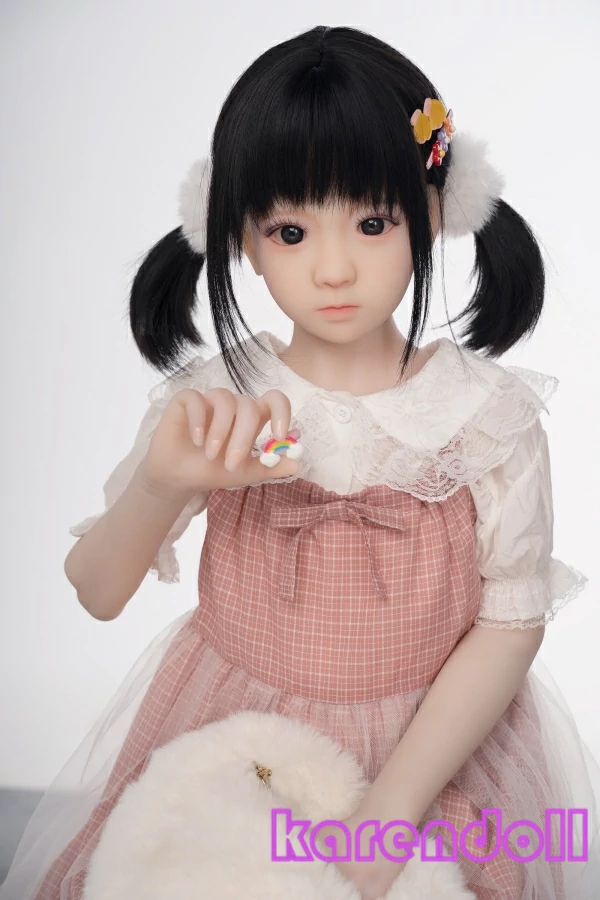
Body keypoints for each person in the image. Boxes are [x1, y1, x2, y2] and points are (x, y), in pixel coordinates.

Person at [2, 23, 599, 900]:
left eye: (371, 222)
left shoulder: (482, 418)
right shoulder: (220, 402)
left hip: (428, 749)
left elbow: (511, 622)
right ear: (240, 237)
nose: (333, 269)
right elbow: (96, 591)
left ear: (433, 214)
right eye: (290, 230)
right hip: (234, 738)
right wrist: (163, 484)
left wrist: (391, 812)